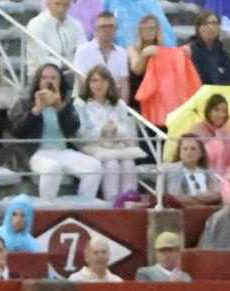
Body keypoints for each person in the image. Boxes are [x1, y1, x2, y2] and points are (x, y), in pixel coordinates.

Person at [10, 63, 101, 201]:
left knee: (94, 167)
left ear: (60, 82)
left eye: (53, 78)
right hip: (37, 153)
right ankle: (47, 207)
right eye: (44, 78)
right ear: (38, 81)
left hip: (62, 151)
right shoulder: (25, 103)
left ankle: (83, 206)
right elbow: (17, 130)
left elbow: (73, 128)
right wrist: (36, 110)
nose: (49, 81)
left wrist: (58, 106)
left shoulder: (65, 103)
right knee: (52, 168)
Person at [77, 65, 141, 201]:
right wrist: (102, 130)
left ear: (109, 83)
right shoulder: (81, 105)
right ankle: (112, 201)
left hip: (117, 147)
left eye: (103, 80)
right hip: (93, 148)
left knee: (128, 163)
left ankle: (130, 201)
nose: (99, 84)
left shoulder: (119, 105)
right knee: (112, 164)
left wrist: (116, 131)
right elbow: (81, 134)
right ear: (88, 83)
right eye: (94, 80)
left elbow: (130, 134)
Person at [189, 92, 230, 198]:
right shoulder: (196, 131)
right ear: (209, 111)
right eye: (216, 110)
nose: (220, 114)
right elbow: (196, 159)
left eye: (224, 111)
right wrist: (215, 143)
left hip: (223, 180)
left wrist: (226, 179)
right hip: (200, 176)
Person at [72, 13, 129, 99]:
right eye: (103, 26)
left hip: (113, 105)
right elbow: (83, 81)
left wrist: (123, 108)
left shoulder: (122, 53)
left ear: (116, 29)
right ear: (96, 29)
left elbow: (124, 85)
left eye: (111, 26)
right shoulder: (83, 50)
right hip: (86, 102)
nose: (107, 30)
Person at [24, 0, 87, 73]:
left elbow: (83, 52)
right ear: (48, 3)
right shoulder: (36, 24)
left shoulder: (76, 25)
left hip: (72, 71)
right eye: (57, 4)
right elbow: (42, 59)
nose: (61, 9)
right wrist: (68, 66)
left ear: (70, 6)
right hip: (41, 74)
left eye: (65, 5)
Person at [163, 132, 221, 207]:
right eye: (185, 149)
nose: (189, 152)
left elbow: (216, 195)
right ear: (180, 153)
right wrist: (204, 200)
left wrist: (192, 197)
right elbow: (177, 197)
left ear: (200, 152)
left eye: (193, 149)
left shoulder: (207, 172)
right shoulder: (172, 171)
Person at [188, 11, 230, 89]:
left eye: (214, 23)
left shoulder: (225, 56)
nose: (211, 27)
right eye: (206, 24)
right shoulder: (189, 51)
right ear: (198, 28)